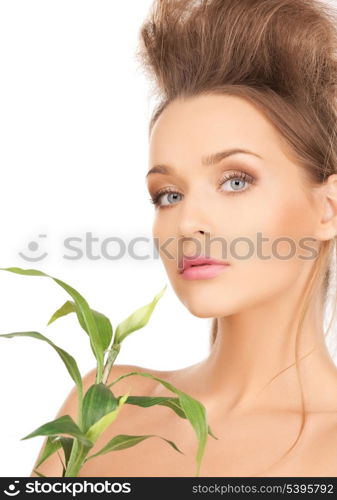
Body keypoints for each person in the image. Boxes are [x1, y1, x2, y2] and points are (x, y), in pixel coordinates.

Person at [31, 0, 337, 477]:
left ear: (328, 208)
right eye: (168, 194)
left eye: (236, 180)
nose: (188, 222)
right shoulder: (101, 408)